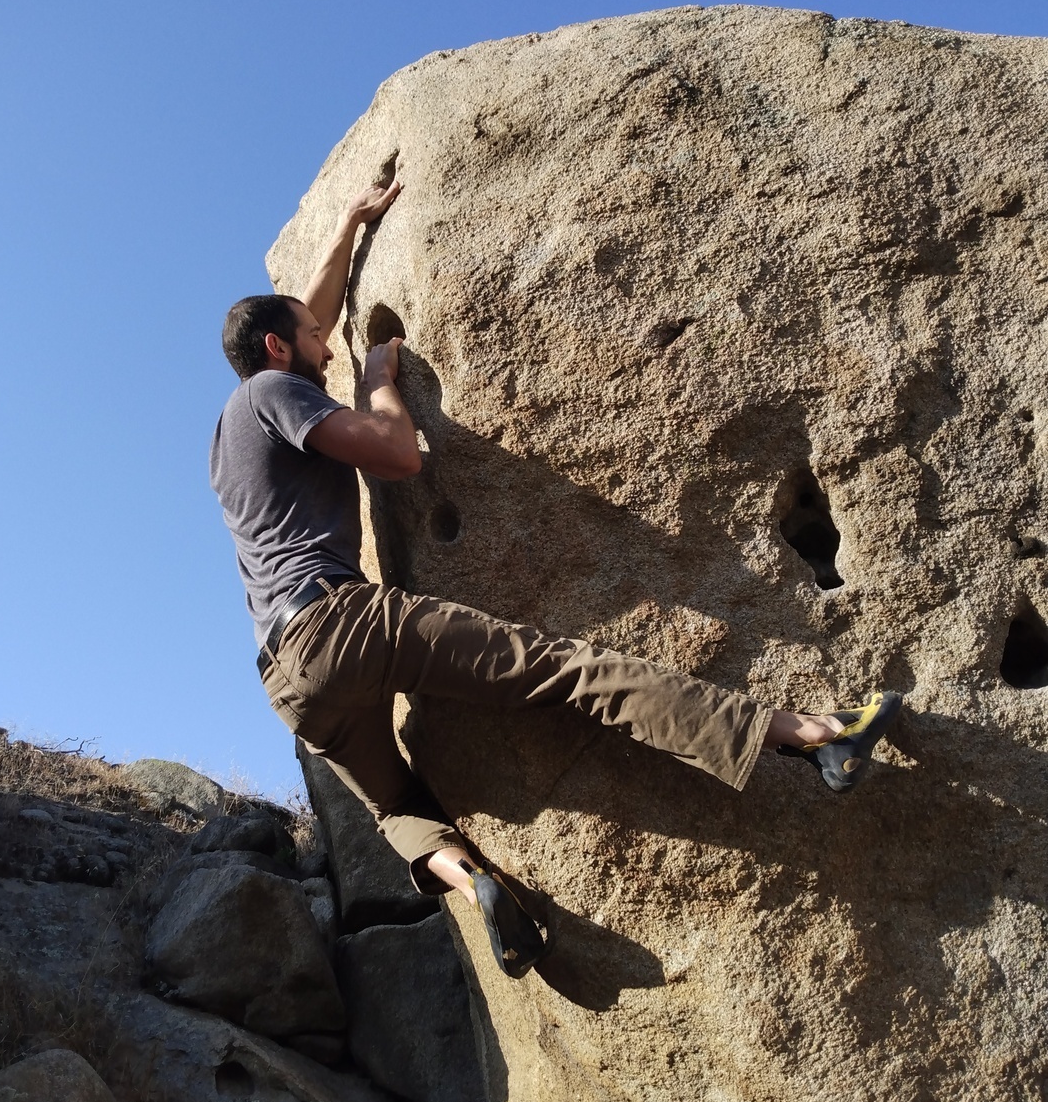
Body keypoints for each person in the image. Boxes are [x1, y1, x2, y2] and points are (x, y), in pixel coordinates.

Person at [210, 179, 900, 977]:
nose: (327, 346)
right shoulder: (276, 390)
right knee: (567, 673)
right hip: (343, 624)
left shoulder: (229, 433)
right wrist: (375, 382)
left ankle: (471, 882)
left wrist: (347, 225)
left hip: (288, 681)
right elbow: (397, 457)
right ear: (274, 351)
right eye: (313, 340)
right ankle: (810, 735)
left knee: (396, 805)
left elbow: (310, 316)